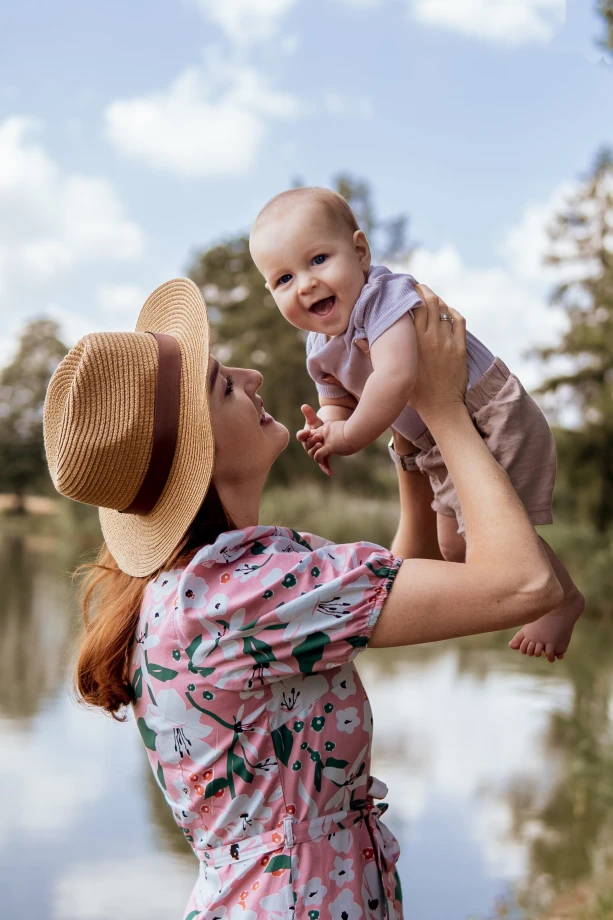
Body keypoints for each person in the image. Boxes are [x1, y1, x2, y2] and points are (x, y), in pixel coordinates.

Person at [43, 277, 561, 920]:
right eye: (223, 385)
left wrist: (408, 438)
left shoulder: (212, 585)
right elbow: (525, 583)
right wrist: (443, 407)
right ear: (197, 453)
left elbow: (407, 576)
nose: (253, 375)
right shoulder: (242, 595)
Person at [248, 186, 584, 664]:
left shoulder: (382, 298)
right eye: (284, 278)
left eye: (319, 259)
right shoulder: (318, 343)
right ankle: (552, 590)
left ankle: (562, 597)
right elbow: (336, 400)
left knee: (483, 536)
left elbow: (397, 377)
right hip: (436, 441)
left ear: (360, 252)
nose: (305, 284)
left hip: (486, 413)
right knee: (453, 547)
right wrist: (327, 428)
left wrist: (349, 436)